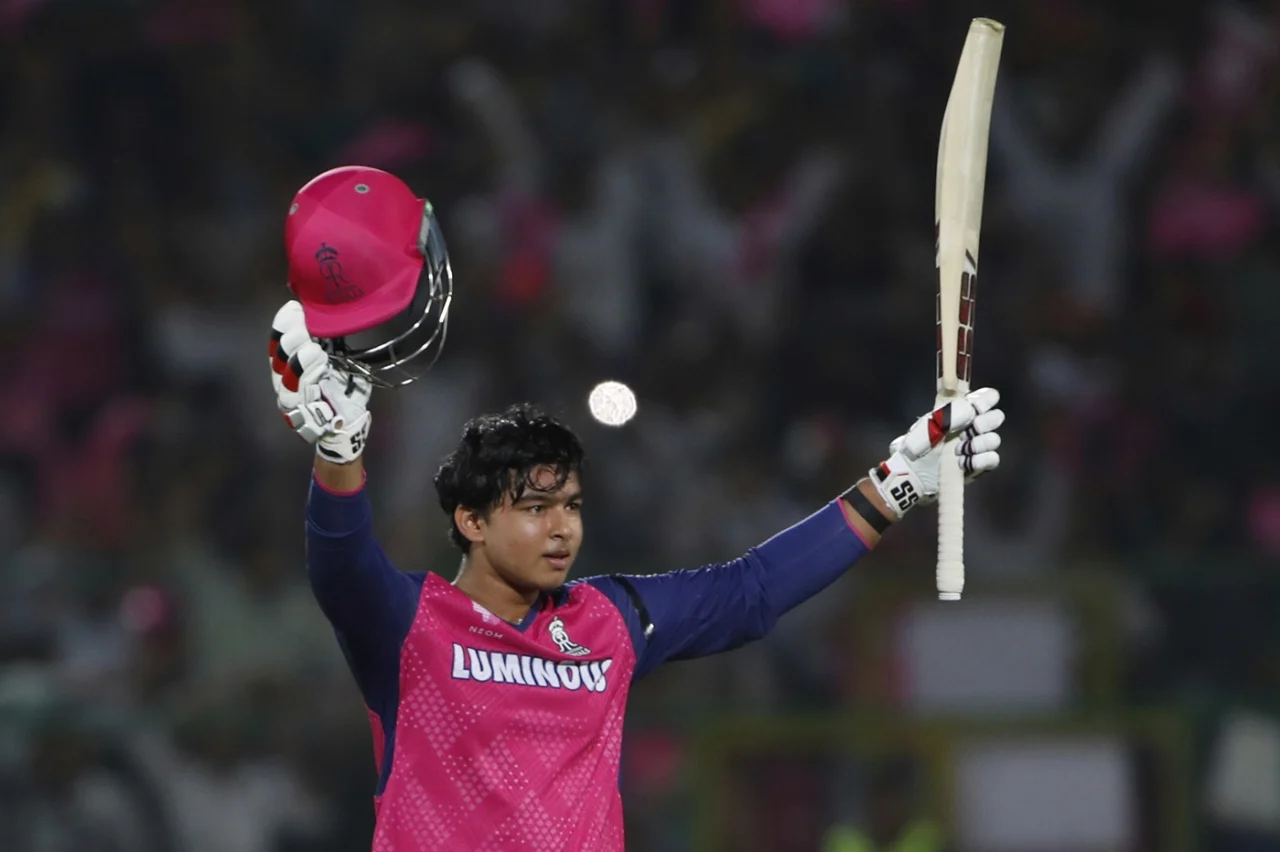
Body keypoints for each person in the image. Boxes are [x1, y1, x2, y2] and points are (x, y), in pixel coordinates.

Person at [270, 165, 1006, 851]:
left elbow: (752, 591)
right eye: (535, 508)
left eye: (571, 506)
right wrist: (339, 452)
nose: (563, 527)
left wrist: (898, 483)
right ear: (472, 521)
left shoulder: (609, 622)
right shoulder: (411, 625)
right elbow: (340, 565)